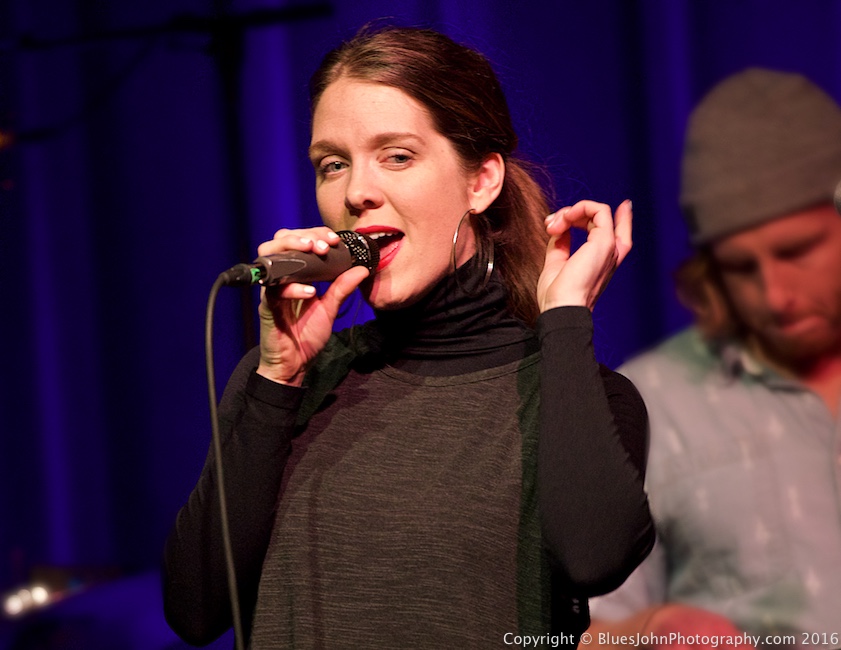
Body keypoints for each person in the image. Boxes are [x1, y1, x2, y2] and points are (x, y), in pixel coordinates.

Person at [163, 25, 654, 648]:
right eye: (332, 165)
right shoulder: (287, 382)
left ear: (481, 182)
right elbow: (194, 610)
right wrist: (275, 378)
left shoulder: (577, 392)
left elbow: (595, 559)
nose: (356, 192)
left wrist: (564, 321)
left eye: (396, 155)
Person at [587, 68, 841, 646]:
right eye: (739, 267)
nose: (775, 296)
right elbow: (577, 633)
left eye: (797, 251)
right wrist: (649, 633)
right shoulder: (646, 404)